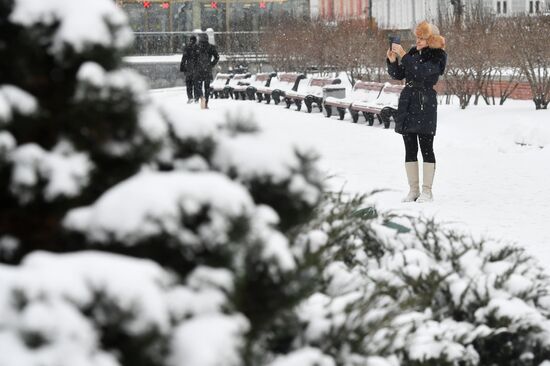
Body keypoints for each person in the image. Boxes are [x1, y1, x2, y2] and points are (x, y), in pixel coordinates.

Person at [387, 21, 447, 203]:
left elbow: (420, 72)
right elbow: (399, 74)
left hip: (425, 102)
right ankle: (413, 190)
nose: (418, 41)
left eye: (422, 38)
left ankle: (427, 191)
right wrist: (392, 60)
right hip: (408, 101)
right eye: (417, 37)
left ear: (431, 39)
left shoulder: (437, 57)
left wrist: (404, 55)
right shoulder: (413, 54)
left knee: (426, 147)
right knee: (409, 147)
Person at [194, 32, 219, 109]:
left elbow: (193, 58)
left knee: (198, 85)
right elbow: (217, 57)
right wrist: (211, 64)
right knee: (207, 87)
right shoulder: (211, 47)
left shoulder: (196, 47)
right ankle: (206, 102)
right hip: (207, 69)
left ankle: (201, 96)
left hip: (199, 69)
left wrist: (195, 65)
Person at [180, 35, 198, 104]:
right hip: (196, 69)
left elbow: (184, 58)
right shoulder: (197, 47)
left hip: (189, 68)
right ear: (195, 40)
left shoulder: (187, 47)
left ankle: (190, 97)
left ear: (190, 40)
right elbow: (199, 59)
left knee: (189, 84)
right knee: (196, 84)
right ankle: (196, 97)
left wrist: (182, 68)